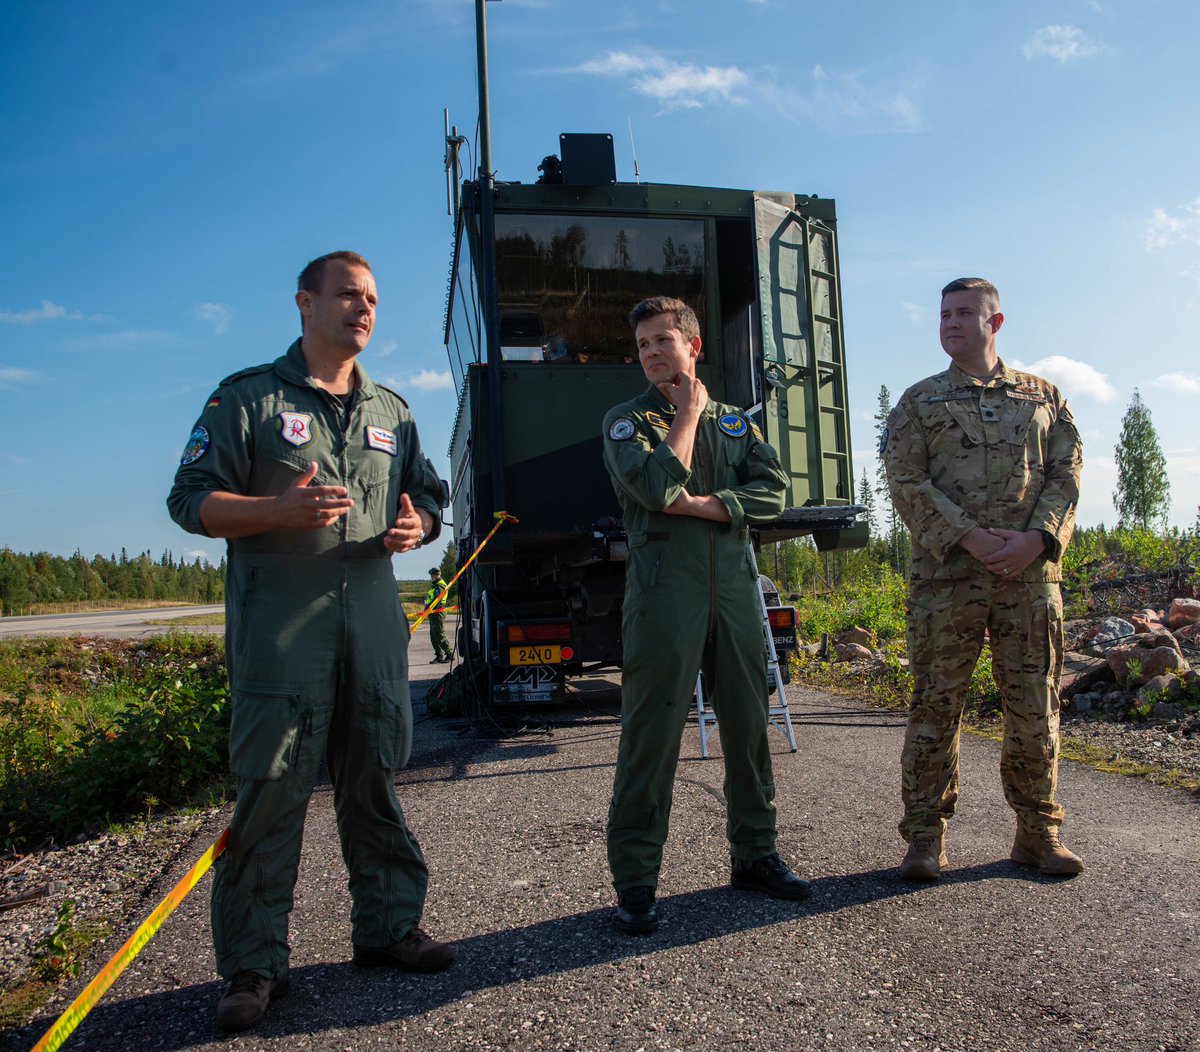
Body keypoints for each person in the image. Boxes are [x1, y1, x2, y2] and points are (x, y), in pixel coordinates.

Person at [167, 251, 453, 1032]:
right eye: (348, 296)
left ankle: (389, 928)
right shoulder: (248, 399)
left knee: (376, 783)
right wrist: (275, 512)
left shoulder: (391, 410)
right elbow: (188, 501)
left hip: (371, 634)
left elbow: (430, 496)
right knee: (271, 795)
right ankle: (255, 967)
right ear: (304, 302)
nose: (363, 310)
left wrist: (416, 525)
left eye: (372, 300)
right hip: (281, 641)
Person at [601, 296, 813, 936]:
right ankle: (637, 880)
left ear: (693, 346)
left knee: (749, 729)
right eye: (642, 345)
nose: (651, 354)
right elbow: (657, 487)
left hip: (737, 595)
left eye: (663, 340)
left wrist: (708, 504)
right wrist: (686, 416)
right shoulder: (626, 422)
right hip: (665, 597)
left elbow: (774, 490)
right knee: (652, 735)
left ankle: (755, 855)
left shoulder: (735, 425)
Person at [881, 277, 1084, 881]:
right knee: (935, 708)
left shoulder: (1043, 397)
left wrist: (1037, 539)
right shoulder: (920, 402)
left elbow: (1067, 472)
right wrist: (968, 535)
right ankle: (924, 840)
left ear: (995, 323)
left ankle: (1039, 835)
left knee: (1034, 707)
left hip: (1029, 580)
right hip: (947, 578)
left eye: (965, 313)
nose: (950, 322)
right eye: (944, 313)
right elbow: (906, 481)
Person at [425, 566, 453, 663]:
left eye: (432, 575)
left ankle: (449, 653)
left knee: (439, 633)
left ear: (436, 575)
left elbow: (437, 599)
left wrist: (428, 607)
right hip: (433, 612)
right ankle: (439, 655)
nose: (431, 577)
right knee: (433, 635)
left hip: (437, 612)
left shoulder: (440, 585)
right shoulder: (435, 585)